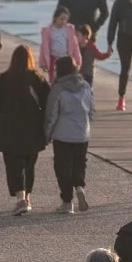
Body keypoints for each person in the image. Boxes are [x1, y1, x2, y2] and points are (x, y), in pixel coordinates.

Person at [0, 46, 49, 216]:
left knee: (14, 165)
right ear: (30, 59)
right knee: (29, 165)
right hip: (33, 129)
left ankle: (20, 198)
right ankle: (27, 197)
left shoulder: (3, 79)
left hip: (9, 129)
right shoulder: (38, 79)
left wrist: (2, 119)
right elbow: (47, 103)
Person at [43, 56, 92, 214]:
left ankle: (67, 202)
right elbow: (91, 110)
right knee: (79, 163)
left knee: (62, 167)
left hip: (63, 135)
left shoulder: (58, 88)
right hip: (82, 134)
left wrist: (47, 133)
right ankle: (79, 187)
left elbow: (51, 114)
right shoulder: (85, 85)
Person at [39, 7, 82, 84]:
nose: (63, 21)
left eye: (66, 19)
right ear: (55, 18)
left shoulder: (69, 29)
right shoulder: (48, 30)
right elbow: (44, 48)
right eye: (61, 19)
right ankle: (54, 93)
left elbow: (75, 46)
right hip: (53, 59)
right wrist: (43, 63)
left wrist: (78, 60)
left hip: (66, 59)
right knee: (53, 81)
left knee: (67, 79)